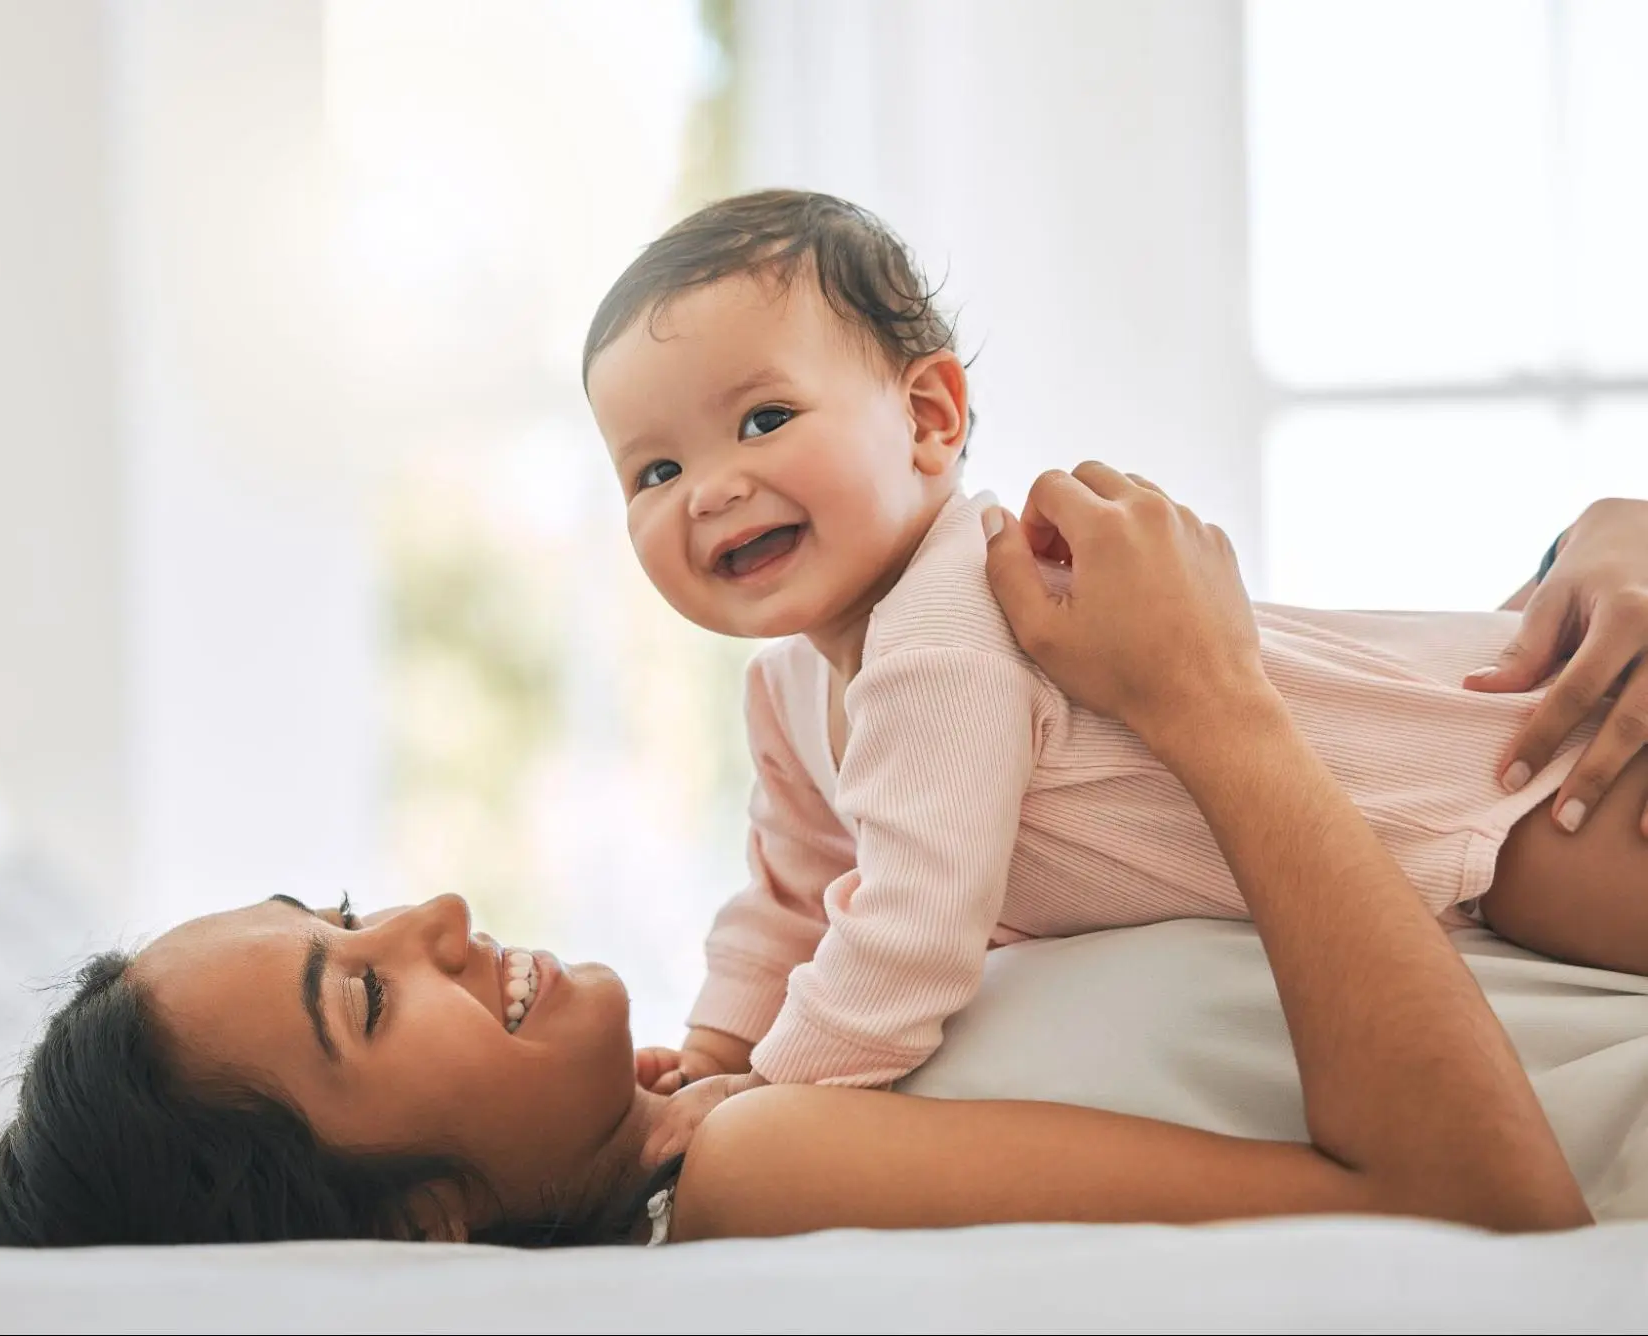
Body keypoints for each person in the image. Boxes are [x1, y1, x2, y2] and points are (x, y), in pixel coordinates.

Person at [0, 465, 1595, 1247]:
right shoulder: (753, 1171)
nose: (438, 912)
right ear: (422, 1227)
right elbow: (1467, 1209)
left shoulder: (765, 1064)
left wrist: (1586, 552)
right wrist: (1202, 701)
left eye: (349, 917)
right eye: (366, 1003)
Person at [580, 190, 1648, 1160]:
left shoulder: (946, 628)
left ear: (927, 419)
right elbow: (793, 894)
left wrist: (772, 1089)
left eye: (764, 420)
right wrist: (716, 1041)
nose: (710, 491)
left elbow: (909, 932)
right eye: (656, 470)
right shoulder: (787, 690)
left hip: (1505, 782)